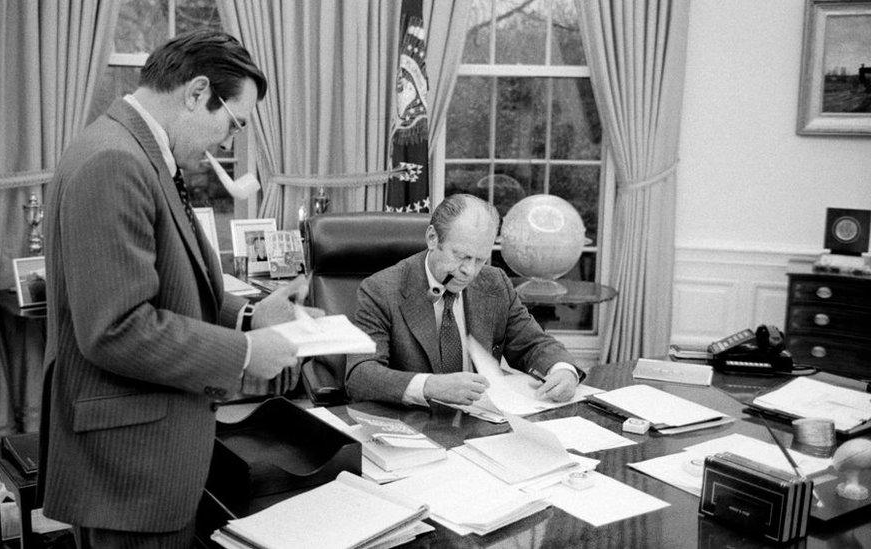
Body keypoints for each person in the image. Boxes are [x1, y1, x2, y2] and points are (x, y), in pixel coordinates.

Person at [40, 30, 320, 547]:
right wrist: (244, 354)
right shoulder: (116, 162)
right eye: (233, 122)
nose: (229, 142)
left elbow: (171, 283)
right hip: (130, 473)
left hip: (144, 459)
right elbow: (116, 328)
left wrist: (249, 318)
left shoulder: (134, 149)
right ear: (195, 93)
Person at [345, 193, 583, 407]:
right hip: (418, 424)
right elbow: (360, 375)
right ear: (432, 238)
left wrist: (563, 371)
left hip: (484, 421)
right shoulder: (381, 290)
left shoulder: (494, 283)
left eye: (480, 259)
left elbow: (533, 343)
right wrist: (431, 386)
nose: (469, 271)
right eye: (461, 256)